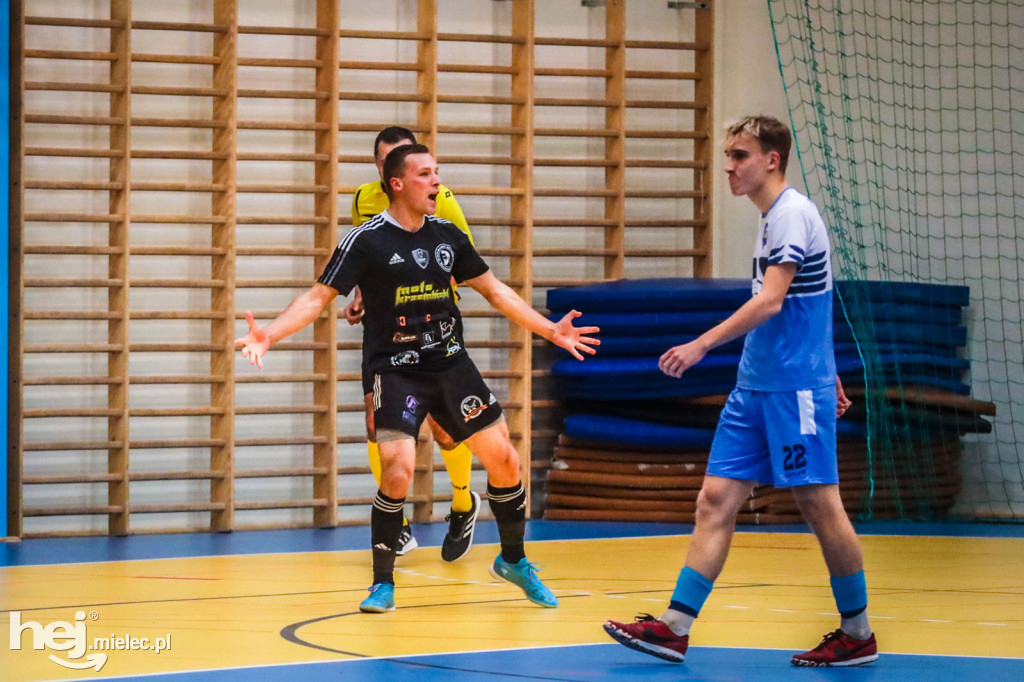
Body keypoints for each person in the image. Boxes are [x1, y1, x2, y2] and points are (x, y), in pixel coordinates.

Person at [236, 143, 599, 614]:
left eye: (438, 174)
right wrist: (270, 335)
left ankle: (513, 561)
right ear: (398, 184)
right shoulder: (365, 241)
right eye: (427, 175)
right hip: (397, 370)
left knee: (506, 461)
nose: (437, 184)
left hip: (451, 366)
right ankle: (382, 583)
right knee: (399, 469)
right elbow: (316, 298)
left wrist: (550, 328)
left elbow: (495, 290)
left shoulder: (447, 235)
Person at [602, 115, 878, 668]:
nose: (727, 166)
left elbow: (774, 301)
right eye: (727, 155)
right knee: (715, 500)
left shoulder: (793, 214)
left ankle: (858, 633)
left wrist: (702, 344)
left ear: (771, 159)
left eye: (739, 155)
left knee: (819, 504)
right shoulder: (771, 219)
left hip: (791, 390)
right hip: (755, 386)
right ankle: (674, 627)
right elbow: (809, 299)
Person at [347, 126, 477, 562]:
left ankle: (462, 504)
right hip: (384, 330)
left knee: (443, 427)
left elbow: (462, 257)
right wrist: (363, 295)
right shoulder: (363, 200)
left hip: (434, 327)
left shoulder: (441, 199)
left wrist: (425, 287)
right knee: (375, 421)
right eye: (388, 162)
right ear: (381, 168)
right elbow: (370, 258)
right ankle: (396, 520)